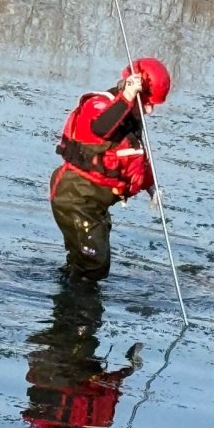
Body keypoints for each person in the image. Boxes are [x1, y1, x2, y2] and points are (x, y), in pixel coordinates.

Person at [50, 59, 169, 282]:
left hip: (96, 205)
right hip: (75, 198)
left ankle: (71, 291)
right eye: (147, 103)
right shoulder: (99, 106)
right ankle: (78, 309)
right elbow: (100, 128)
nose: (150, 110)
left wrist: (150, 187)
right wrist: (128, 97)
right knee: (94, 265)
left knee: (88, 261)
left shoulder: (130, 118)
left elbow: (134, 158)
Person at [22, 281, 140, 428]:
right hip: (69, 367)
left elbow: (109, 388)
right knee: (78, 316)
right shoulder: (97, 422)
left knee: (77, 317)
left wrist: (126, 371)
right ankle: (76, 282)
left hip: (68, 367)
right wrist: (126, 371)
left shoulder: (98, 422)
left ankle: (76, 281)